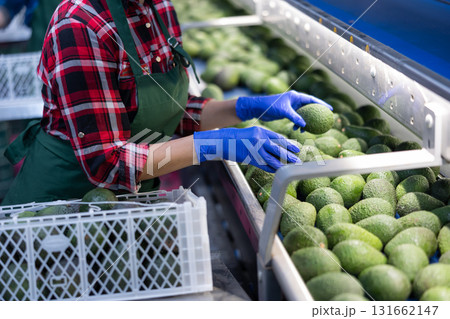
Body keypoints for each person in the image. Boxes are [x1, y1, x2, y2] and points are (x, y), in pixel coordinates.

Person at [1, 0, 331, 206]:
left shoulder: (156, 9)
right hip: (62, 211)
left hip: (128, 203)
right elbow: (108, 162)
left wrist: (245, 107)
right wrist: (215, 144)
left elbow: (175, 110)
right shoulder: (79, 26)